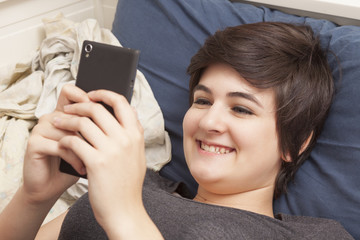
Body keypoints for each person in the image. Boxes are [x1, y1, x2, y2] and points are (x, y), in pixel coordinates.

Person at [0, 22, 353, 239]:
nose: (209, 122)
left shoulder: (315, 236)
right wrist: (33, 199)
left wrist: (125, 216)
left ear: (295, 142)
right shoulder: (133, 184)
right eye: (202, 101)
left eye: (241, 108)